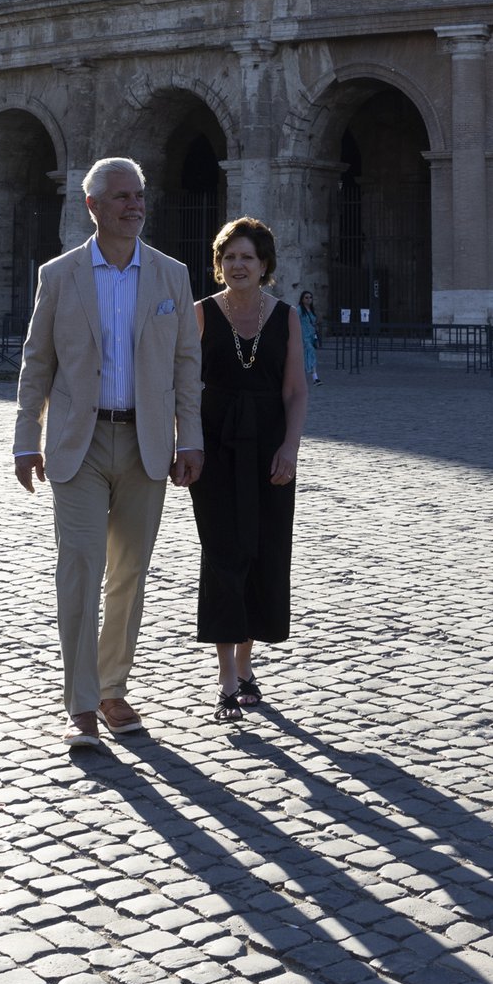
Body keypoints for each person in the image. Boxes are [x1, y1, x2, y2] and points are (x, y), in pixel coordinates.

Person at [13, 157, 201, 752]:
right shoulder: (61, 275)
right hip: (79, 442)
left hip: (147, 441)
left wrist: (189, 436)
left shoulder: (171, 276)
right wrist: (25, 437)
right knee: (81, 567)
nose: (134, 205)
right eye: (121, 197)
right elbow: (36, 362)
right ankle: (83, 703)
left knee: (129, 575)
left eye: (139, 195)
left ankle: (114, 687)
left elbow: (186, 366)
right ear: (92, 206)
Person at [191, 218, 308, 723]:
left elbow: (296, 391)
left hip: (268, 446)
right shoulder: (199, 315)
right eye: (230, 258)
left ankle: (247, 666)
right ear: (219, 266)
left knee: (262, 551)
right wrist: (186, 444)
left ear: (265, 267)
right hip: (214, 446)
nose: (238, 266)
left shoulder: (285, 317)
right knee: (223, 553)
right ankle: (225, 678)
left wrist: (290, 448)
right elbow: (183, 386)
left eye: (248, 258)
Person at [297, 288, 321, 384]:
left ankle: (303, 376)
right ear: (302, 299)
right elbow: (293, 319)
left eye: (310, 297)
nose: (309, 299)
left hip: (311, 336)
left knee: (308, 355)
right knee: (310, 352)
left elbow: (313, 321)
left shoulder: (311, 310)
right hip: (303, 336)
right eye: (306, 297)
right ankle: (315, 377)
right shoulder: (299, 310)